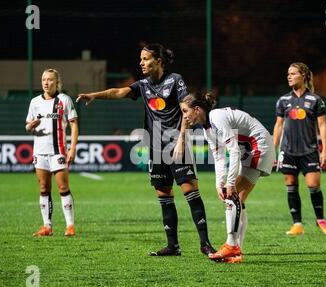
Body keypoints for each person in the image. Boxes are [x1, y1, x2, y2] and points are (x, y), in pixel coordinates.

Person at [76, 43, 216, 257]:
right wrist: (95, 94)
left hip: (176, 143)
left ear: (158, 61)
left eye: (145, 59)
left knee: (191, 193)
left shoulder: (175, 80)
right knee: (164, 195)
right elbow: (119, 92)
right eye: (140, 59)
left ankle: (205, 244)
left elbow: (186, 112)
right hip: (155, 147)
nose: (141, 63)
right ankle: (173, 246)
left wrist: (181, 139)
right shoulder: (143, 85)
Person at [180, 92, 275, 263]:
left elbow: (233, 151)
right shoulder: (207, 128)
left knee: (233, 196)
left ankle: (232, 245)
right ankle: (236, 252)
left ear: (197, 109)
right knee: (239, 199)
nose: (184, 117)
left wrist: (230, 183)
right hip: (252, 149)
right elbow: (219, 157)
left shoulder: (216, 116)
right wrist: (219, 184)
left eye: (186, 111)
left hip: (259, 146)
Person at [273, 62, 326, 236]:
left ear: (304, 76)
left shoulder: (315, 100)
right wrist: (273, 150)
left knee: (313, 184)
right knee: (291, 184)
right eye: (288, 74)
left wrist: (325, 151)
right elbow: (278, 127)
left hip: (309, 151)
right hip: (288, 151)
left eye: (293, 73)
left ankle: (320, 220)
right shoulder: (283, 101)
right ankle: (297, 224)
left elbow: (322, 126)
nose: (289, 76)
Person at [25, 68, 78, 237]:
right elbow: (27, 126)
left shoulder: (64, 100)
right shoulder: (35, 102)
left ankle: (70, 225)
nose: (46, 83)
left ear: (57, 82)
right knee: (43, 188)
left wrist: (73, 148)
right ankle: (47, 226)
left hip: (59, 150)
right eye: (43, 80)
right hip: (40, 152)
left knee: (63, 187)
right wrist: (31, 126)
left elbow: (74, 125)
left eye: (49, 80)